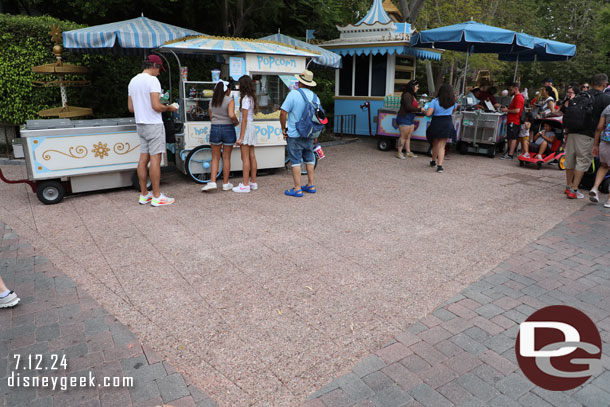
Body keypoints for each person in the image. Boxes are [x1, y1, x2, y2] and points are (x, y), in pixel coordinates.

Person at [128, 54, 178, 207]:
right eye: (159, 69)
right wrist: (170, 107)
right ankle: (157, 196)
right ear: (154, 66)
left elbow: (131, 108)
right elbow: (156, 106)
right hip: (153, 124)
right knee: (155, 159)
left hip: (140, 124)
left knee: (143, 158)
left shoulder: (133, 81)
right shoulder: (152, 80)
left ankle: (144, 194)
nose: (159, 72)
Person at [564, 73, 610, 199]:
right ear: (604, 85)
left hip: (573, 131)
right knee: (582, 161)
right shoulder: (605, 99)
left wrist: (567, 132)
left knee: (570, 159)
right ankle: (574, 189)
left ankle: (568, 186)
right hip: (588, 134)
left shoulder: (581, 95)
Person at [280, 70, 321, 196]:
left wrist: (283, 128)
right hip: (309, 134)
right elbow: (318, 118)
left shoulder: (293, 94)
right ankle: (311, 185)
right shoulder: (315, 97)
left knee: (296, 161)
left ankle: (297, 188)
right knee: (309, 158)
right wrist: (316, 135)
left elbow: (283, 113)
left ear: (299, 82)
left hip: (294, 134)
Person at [202, 80, 239, 192]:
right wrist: (236, 122)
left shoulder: (212, 101)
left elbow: (211, 116)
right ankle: (226, 183)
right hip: (228, 128)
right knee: (226, 157)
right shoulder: (229, 100)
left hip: (215, 128)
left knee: (215, 157)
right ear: (227, 90)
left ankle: (213, 182)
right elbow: (231, 114)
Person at [232, 75, 258, 193]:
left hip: (246, 127)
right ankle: (253, 182)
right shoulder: (251, 98)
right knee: (252, 155)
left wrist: (241, 137)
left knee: (245, 157)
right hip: (251, 127)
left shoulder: (245, 99)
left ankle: (245, 184)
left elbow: (244, 119)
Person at [426, 84, 457, 173]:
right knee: (442, 145)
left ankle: (433, 161)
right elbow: (454, 111)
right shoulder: (453, 102)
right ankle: (440, 166)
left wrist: (425, 111)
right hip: (447, 122)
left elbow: (428, 114)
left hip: (436, 122)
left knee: (435, 143)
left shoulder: (434, 101)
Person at [589, 103, 610, 207]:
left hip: (605, 142)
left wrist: (595, 144)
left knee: (604, 166)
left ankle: (595, 187)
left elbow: (599, 127)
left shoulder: (608, 108)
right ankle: (609, 200)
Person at [396, 80, 423, 159]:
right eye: (417, 86)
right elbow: (408, 107)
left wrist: (418, 108)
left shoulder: (412, 95)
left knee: (408, 136)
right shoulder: (407, 95)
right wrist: (420, 109)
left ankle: (408, 152)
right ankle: (399, 152)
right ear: (412, 86)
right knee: (403, 136)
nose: (418, 88)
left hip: (410, 117)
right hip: (404, 117)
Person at [500, 82, 525, 160]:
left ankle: (510, 154)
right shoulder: (516, 97)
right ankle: (509, 152)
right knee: (511, 137)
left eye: (511, 90)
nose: (510, 92)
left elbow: (517, 110)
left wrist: (507, 110)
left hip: (514, 121)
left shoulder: (518, 98)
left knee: (513, 138)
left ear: (516, 89)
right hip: (512, 120)